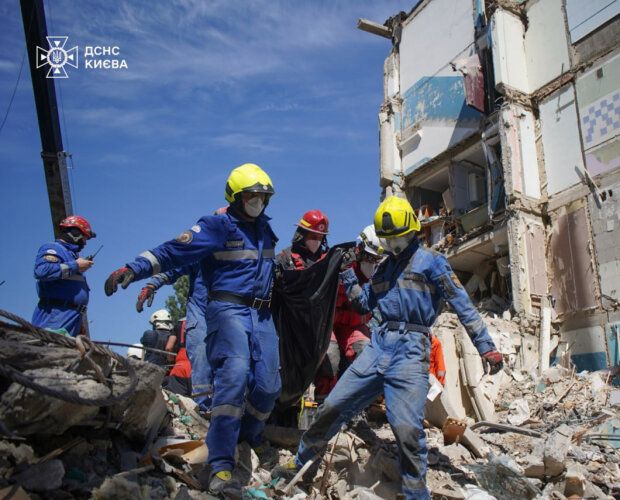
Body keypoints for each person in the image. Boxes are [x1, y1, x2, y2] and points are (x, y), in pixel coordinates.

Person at [271, 196, 503, 499]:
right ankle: (300, 465)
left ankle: (415, 493)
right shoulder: (383, 270)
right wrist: (346, 275)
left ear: (413, 231)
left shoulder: (433, 261)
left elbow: (464, 306)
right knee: (331, 408)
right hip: (378, 346)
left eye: (397, 240)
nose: (393, 247)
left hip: (411, 348)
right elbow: (364, 303)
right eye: (388, 241)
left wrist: (486, 347)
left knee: (406, 429)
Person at [105, 163, 279, 498]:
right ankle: (221, 463)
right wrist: (136, 269)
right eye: (252, 196)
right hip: (226, 310)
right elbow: (176, 251)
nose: (258, 202)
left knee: (270, 386)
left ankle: (248, 434)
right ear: (235, 197)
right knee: (233, 376)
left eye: (263, 196)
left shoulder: (265, 231)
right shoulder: (216, 225)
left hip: (262, 316)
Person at [276, 210, 337, 400]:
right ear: (302, 234)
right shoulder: (284, 259)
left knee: (331, 359)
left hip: (319, 329)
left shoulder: (329, 262)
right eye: (313, 236)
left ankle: (323, 413)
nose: (316, 241)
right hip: (290, 329)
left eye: (320, 237)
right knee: (284, 370)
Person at [136, 263, 213, 411]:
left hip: (178, 367)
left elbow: (170, 347)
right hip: (199, 366)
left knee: (176, 405)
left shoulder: (176, 326)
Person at [32, 216, 96, 337]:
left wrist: (77, 321)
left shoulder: (72, 257)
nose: (85, 243)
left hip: (71, 318)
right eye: (84, 238)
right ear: (76, 233)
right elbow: (41, 271)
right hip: (54, 316)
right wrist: (75, 266)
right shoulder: (54, 248)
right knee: (49, 353)